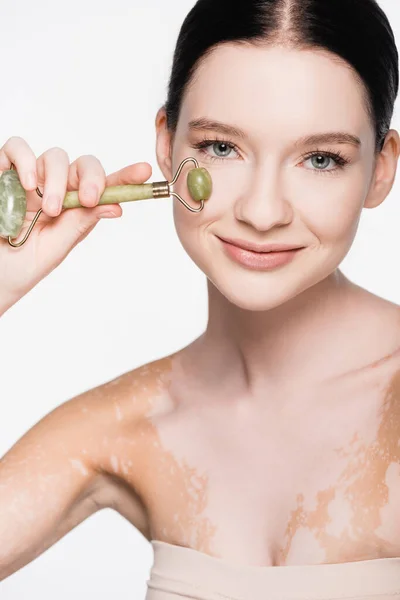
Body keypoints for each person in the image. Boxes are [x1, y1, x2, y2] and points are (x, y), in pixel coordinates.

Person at [1, 0, 400, 598]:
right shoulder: (118, 427)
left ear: (379, 169)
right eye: (220, 147)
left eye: (321, 159)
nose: (262, 211)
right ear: (167, 145)